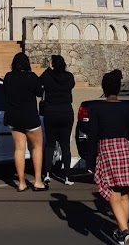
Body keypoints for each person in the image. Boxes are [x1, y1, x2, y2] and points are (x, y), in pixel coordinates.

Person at [87, 69, 129, 245]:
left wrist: (89, 160)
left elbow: (92, 136)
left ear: (104, 89)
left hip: (107, 149)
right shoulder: (126, 108)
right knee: (123, 194)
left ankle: (125, 231)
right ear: (119, 89)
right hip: (125, 149)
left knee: (112, 191)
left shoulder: (96, 109)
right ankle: (121, 231)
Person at [3, 52, 45, 191]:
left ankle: (21, 183)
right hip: (30, 117)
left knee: (19, 149)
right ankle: (38, 181)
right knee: (37, 147)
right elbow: (40, 93)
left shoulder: (8, 77)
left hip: (14, 118)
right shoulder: (31, 77)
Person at [39, 53, 75, 186]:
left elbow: (39, 82)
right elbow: (71, 85)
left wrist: (48, 69)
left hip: (50, 112)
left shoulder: (48, 76)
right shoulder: (69, 77)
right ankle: (67, 177)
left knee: (49, 144)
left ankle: (47, 174)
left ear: (52, 64)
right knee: (65, 145)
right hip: (66, 112)